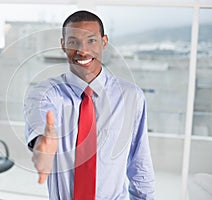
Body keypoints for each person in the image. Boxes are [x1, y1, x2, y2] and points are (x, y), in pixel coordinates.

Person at [24, 10, 155, 199]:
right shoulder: (47, 92)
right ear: (63, 45)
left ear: (104, 42)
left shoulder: (131, 97)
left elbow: (140, 162)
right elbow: (39, 113)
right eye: (73, 42)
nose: (82, 50)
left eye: (91, 41)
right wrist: (42, 142)